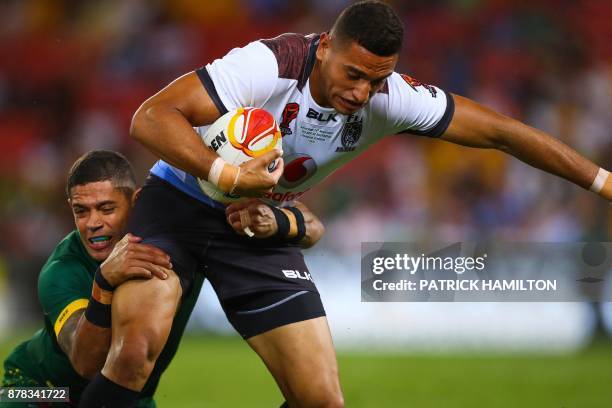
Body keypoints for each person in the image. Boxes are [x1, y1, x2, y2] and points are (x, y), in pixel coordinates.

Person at [79, 1, 612, 407]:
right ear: (326, 48)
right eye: (353, 75)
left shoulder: (393, 97)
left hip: (259, 225)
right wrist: (226, 175)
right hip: (179, 201)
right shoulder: (268, 65)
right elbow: (151, 117)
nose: (362, 93)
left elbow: (503, 133)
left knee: (321, 399)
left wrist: (603, 183)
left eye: (375, 80)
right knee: (134, 353)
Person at [1, 150, 191, 407]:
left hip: (129, 396)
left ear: (136, 202)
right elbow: (86, 363)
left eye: (106, 208)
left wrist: (261, 224)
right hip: (44, 390)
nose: (93, 223)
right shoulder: (61, 270)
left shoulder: (175, 248)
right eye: (81, 211)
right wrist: (102, 284)